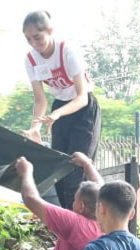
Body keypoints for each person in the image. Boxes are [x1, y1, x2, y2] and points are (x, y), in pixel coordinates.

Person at [22, 10, 101, 212]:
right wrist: (35, 128)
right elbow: (40, 100)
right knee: (60, 173)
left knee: (76, 172)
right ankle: (68, 226)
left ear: (50, 31)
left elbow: (82, 97)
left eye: (37, 37)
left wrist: (56, 115)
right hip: (58, 109)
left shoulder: (67, 51)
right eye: (28, 39)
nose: (33, 43)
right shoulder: (30, 60)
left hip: (83, 109)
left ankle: (88, 225)